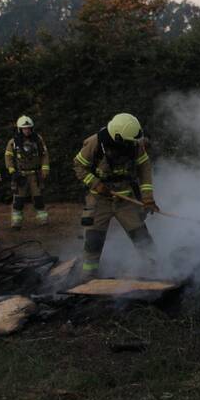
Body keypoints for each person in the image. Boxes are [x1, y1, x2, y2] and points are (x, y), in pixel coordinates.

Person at [72, 112, 159, 277]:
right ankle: (88, 278)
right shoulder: (95, 143)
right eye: (130, 141)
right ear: (118, 137)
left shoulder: (134, 144)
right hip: (99, 200)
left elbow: (144, 168)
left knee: (141, 236)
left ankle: (155, 272)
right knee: (93, 241)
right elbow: (78, 166)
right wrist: (96, 184)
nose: (135, 144)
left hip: (125, 200)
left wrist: (147, 198)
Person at [4, 115, 51, 230]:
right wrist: (13, 172)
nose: (27, 131)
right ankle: (16, 223)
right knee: (18, 201)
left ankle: (43, 221)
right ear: (20, 129)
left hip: (35, 175)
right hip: (21, 175)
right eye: (25, 129)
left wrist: (45, 168)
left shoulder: (38, 140)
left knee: (39, 199)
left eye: (29, 128)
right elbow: (8, 158)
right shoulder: (14, 142)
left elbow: (44, 155)